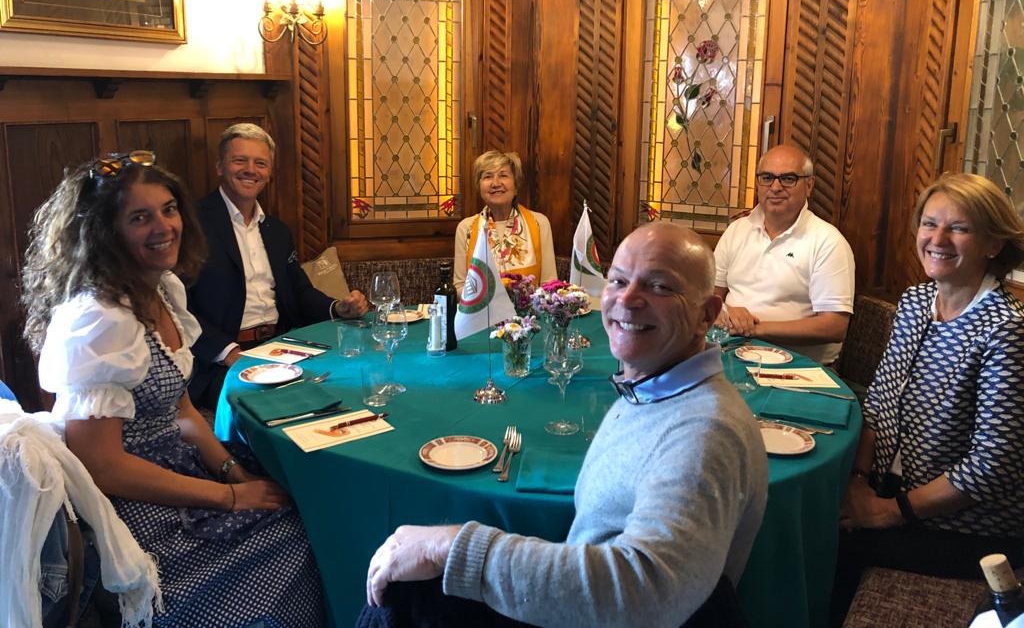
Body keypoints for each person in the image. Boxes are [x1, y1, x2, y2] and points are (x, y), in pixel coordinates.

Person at [364, 222, 768, 628]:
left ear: (706, 315)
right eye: (618, 280)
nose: (628, 298)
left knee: (401, 598)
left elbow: (645, 591)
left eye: (659, 287)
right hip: (593, 604)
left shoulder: (704, 431)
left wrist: (450, 547)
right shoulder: (652, 389)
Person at [22, 151, 325, 627]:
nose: (164, 226)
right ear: (106, 233)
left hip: (179, 469)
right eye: (139, 217)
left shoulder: (162, 290)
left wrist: (232, 473)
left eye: (168, 209)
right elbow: (102, 466)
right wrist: (229, 498)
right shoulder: (101, 318)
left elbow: (182, 409)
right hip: (137, 509)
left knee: (304, 498)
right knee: (296, 540)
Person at [830, 173, 1024, 625]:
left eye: (959, 228)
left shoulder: (1006, 330)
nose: (937, 239)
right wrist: (858, 482)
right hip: (897, 491)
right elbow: (878, 404)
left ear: (993, 244)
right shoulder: (917, 302)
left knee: (824, 542)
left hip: (970, 528)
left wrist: (888, 512)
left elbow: (991, 467)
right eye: (929, 223)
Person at [188, 123, 368, 407]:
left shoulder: (277, 231)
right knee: (289, 404)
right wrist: (227, 351)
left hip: (281, 347)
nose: (251, 170)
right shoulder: (191, 224)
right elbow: (177, 307)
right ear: (220, 166)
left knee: (354, 382)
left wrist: (337, 308)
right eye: (240, 160)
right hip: (221, 362)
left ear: (269, 173)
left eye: (260, 163)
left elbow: (299, 293)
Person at [713, 144, 855, 364]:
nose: (775, 187)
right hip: (729, 352)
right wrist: (726, 310)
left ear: (809, 185)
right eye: (767, 177)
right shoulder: (736, 230)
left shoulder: (828, 242)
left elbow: (834, 327)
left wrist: (753, 329)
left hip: (797, 367)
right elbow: (708, 296)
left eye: (788, 179)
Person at [453, 150, 557, 292]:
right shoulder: (466, 228)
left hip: (529, 306)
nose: (496, 183)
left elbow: (549, 284)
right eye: (487, 176)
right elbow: (459, 287)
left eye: (503, 175)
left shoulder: (539, 223)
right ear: (479, 187)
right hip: (481, 306)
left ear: (516, 185)